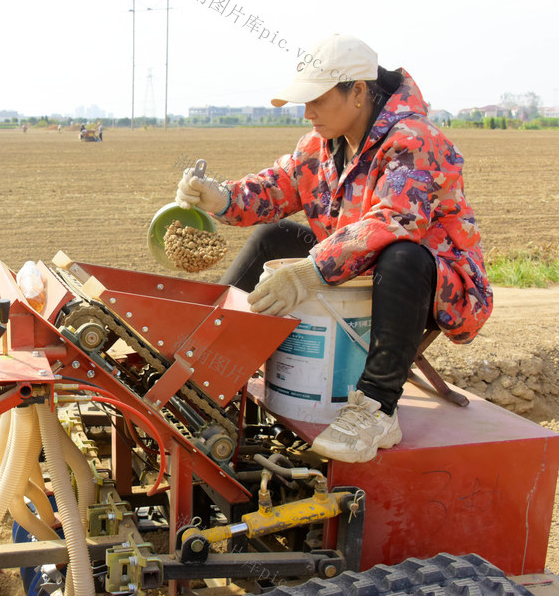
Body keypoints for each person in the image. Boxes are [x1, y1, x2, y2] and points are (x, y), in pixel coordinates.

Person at [176, 34, 492, 463]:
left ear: (358, 92)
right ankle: (202, 361)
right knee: (274, 237)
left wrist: (308, 272)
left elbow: (393, 221)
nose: (308, 114)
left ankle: (377, 408)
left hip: (433, 281)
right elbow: (275, 188)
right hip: (357, 263)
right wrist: (220, 197)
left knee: (402, 253)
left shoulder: (415, 140)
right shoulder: (321, 145)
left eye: (317, 101)